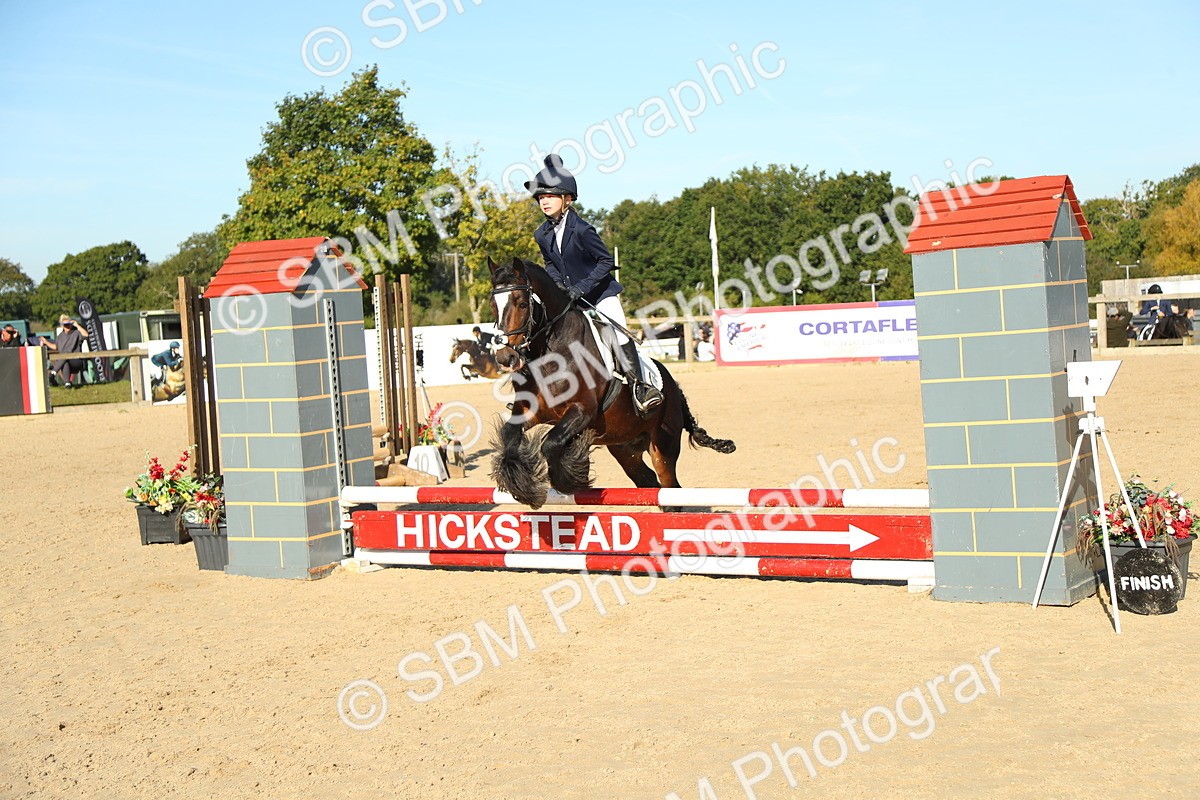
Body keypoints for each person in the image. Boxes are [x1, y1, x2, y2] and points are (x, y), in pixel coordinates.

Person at [524, 154, 663, 412]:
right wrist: (558, 289)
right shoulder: (541, 234)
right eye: (541, 197)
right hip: (569, 298)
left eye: (550, 196)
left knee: (618, 331)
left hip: (600, 294)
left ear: (567, 199)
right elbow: (551, 265)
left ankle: (641, 386)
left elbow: (605, 262)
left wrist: (581, 288)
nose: (544, 201)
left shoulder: (583, 229)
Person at [41, 314, 89, 386]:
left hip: (76, 361)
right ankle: (67, 383)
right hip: (64, 360)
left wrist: (77, 325)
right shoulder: (60, 336)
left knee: (65, 355)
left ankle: (53, 372)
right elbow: (55, 347)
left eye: (68, 324)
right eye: (65, 325)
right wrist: (46, 342)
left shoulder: (76, 333)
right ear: (62, 326)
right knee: (64, 359)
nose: (67, 326)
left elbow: (86, 335)